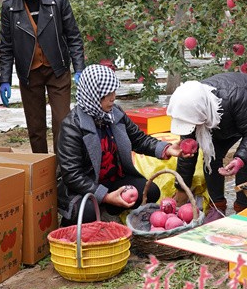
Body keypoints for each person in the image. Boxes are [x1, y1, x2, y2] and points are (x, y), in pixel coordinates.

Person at [56, 64, 186, 226]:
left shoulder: (114, 114)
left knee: (151, 190)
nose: (113, 97)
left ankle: (109, 213)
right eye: (107, 94)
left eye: (114, 92)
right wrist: (105, 196)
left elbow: (138, 139)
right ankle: (79, 221)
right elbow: (72, 175)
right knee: (88, 210)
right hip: (84, 187)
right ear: (92, 95)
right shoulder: (72, 126)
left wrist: (167, 148)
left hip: (113, 179)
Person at [0, 0, 85, 155]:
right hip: (29, 73)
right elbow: (6, 46)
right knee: (35, 126)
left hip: (57, 70)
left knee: (63, 123)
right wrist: (5, 79)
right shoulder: (10, 8)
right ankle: (41, 171)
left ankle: (63, 171)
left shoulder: (57, 0)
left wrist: (79, 68)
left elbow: (73, 36)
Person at [167, 72, 247, 222]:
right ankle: (217, 206)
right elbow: (187, 156)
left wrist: (240, 158)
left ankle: (243, 208)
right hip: (226, 118)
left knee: (245, 159)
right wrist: (181, 188)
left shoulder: (234, 96)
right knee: (211, 156)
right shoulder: (190, 109)